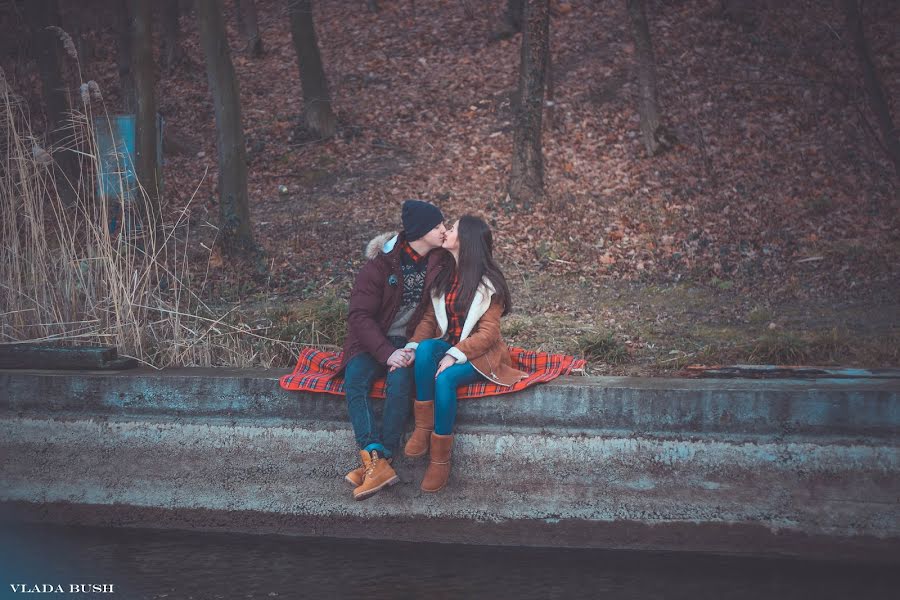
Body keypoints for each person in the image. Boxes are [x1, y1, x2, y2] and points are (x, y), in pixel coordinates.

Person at [401, 216, 526, 492]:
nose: (446, 232)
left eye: (453, 228)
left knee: (445, 379)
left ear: (466, 240)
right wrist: (411, 348)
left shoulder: (489, 285)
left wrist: (455, 353)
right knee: (424, 349)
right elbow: (429, 322)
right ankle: (423, 428)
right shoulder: (445, 276)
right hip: (452, 348)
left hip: (482, 355)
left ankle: (439, 460)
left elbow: (488, 335)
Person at [340, 200, 447, 500]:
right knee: (355, 379)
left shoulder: (441, 263)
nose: (443, 230)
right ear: (422, 230)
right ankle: (375, 456)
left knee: (400, 381)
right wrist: (387, 352)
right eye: (438, 225)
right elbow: (359, 316)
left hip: (414, 341)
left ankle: (379, 462)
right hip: (374, 339)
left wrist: (413, 347)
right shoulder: (380, 265)